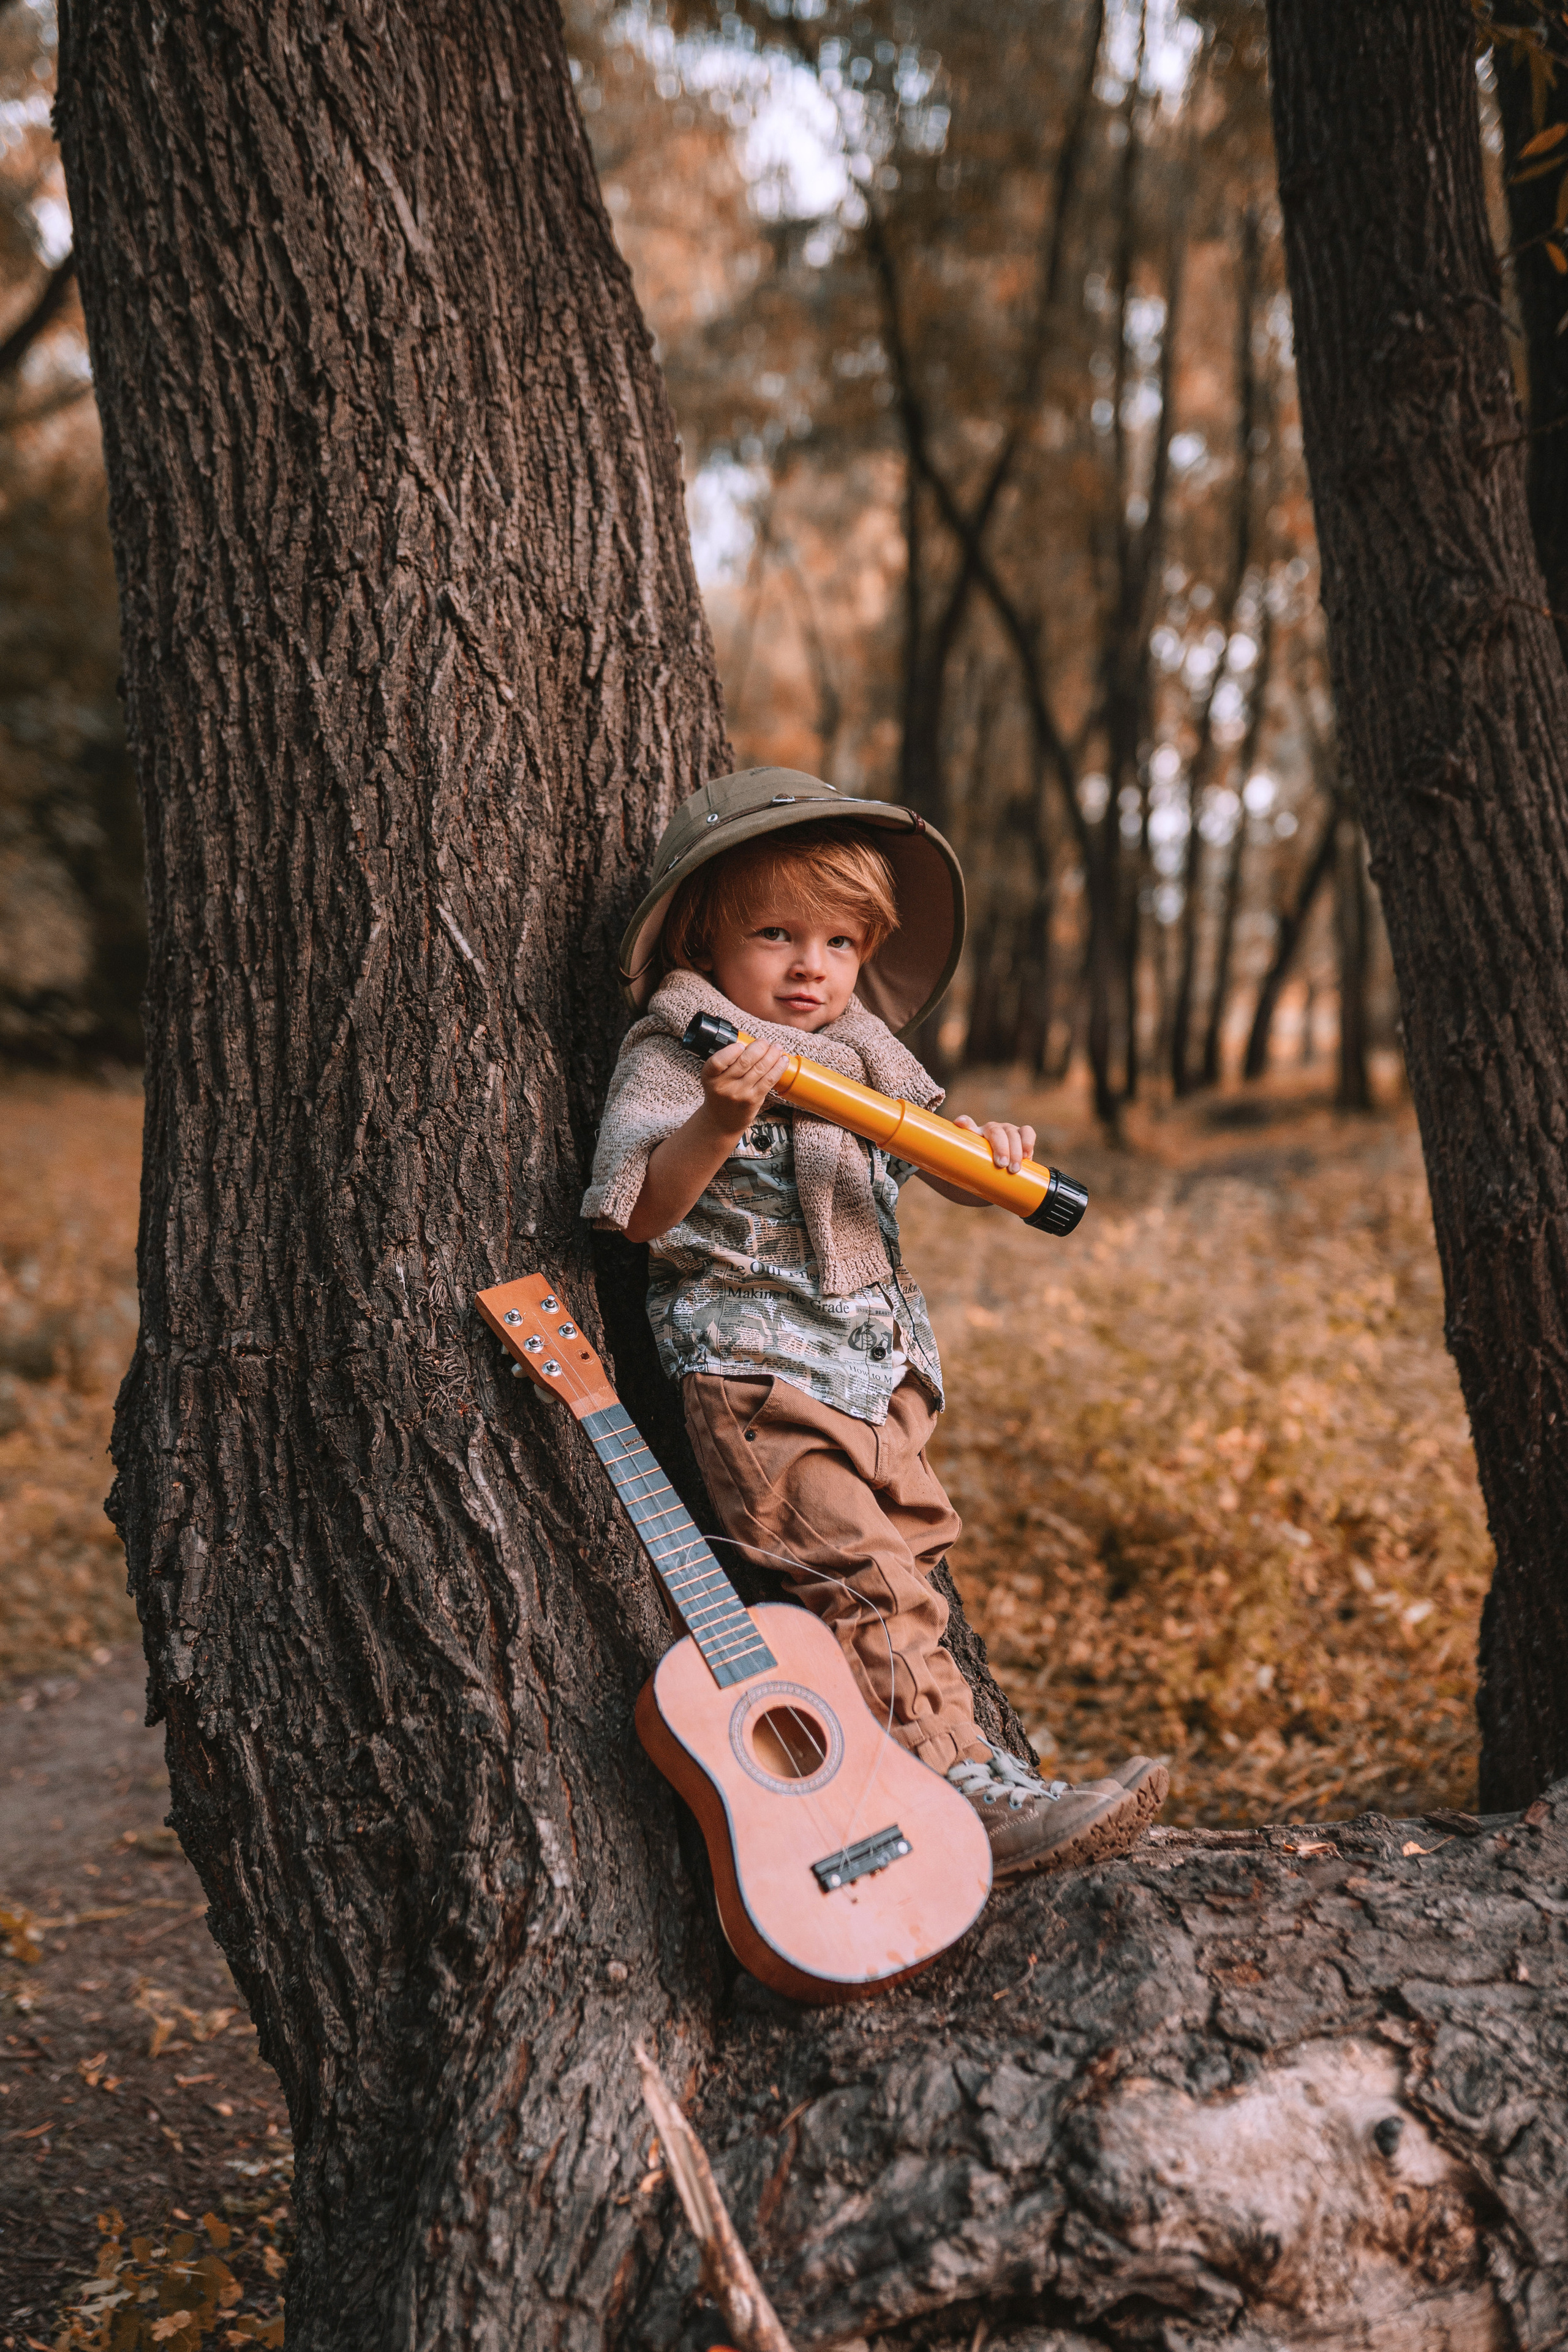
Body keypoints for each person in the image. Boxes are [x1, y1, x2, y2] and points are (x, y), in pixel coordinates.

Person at [584, 766, 1167, 1878]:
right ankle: (968, 1791)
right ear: (702, 939)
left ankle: (944, 1777)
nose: (812, 966)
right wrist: (720, 1117)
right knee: (864, 1580)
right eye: (776, 934)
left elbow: (933, 1157)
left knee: (914, 1570)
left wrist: (988, 1156)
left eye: (841, 943)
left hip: (878, 1367)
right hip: (758, 1373)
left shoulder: (861, 1045)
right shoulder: (677, 1049)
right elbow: (641, 1210)